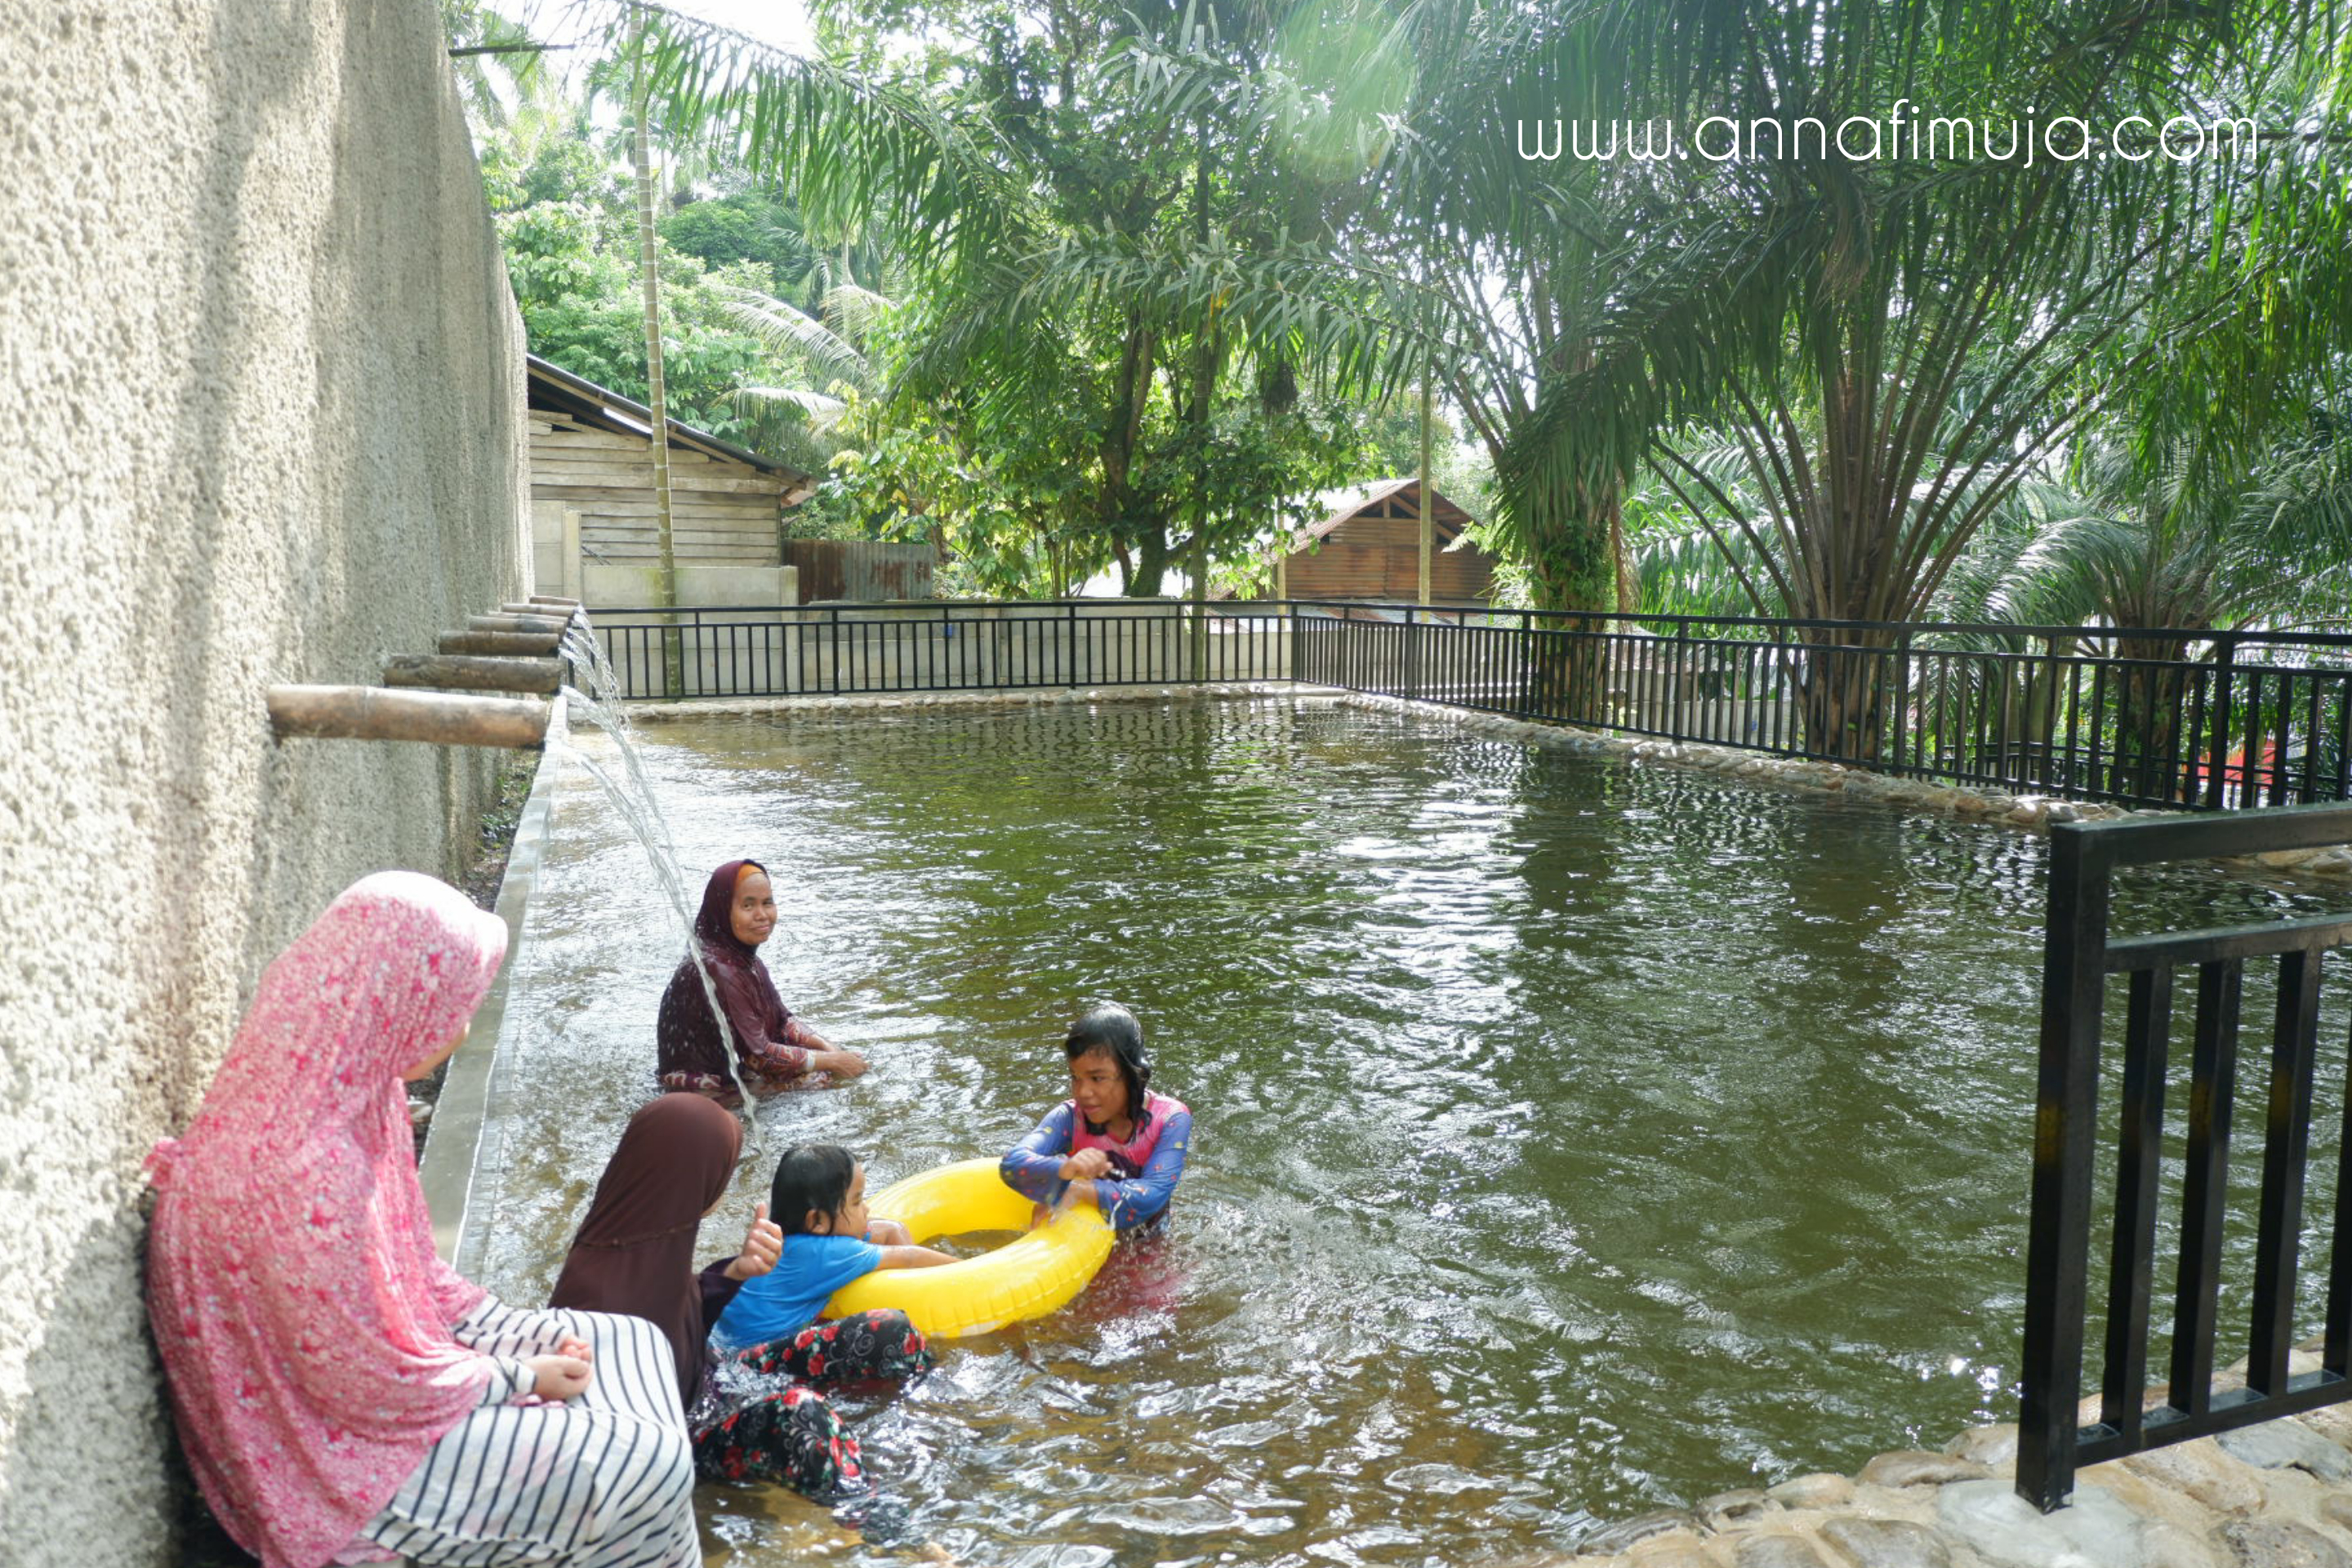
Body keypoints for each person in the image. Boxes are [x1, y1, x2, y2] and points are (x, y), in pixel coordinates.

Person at [145, 872, 697, 1568]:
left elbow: (415, 1276)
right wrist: (520, 1376)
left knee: (633, 1339)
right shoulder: (306, 1177)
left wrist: (512, 1331)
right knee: (650, 1466)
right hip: (332, 1464)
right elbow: (365, 1387)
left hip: (365, 1397)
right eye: (454, 1005)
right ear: (395, 1000)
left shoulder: (351, 1086)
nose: (462, 1028)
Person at [699, 1144, 952, 1501]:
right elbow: (909, 1258)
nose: (867, 1210)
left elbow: (884, 1230)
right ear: (817, 1221)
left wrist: (881, 1229)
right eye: (857, 1201)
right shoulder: (827, 1254)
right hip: (744, 1369)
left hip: (715, 1353)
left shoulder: (786, 1241)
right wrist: (970, 1270)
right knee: (890, 1330)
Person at [657, 858, 866, 1100]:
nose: (762, 915)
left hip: (734, 1073)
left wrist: (827, 1048)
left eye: (767, 903)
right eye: (748, 906)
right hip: (701, 1093)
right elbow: (760, 1056)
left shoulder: (742, 959)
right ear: (723, 911)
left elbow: (783, 1021)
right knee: (822, 1082)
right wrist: (833, 1061)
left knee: (824, 1071)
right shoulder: (718, 969)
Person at [1000, 1002, 1192, 1233]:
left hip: (1148, 1240)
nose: (1082, 1092)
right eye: (1075, 1077)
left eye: (1097, 1078)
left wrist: (1080, 1190)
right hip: (1081, 1236)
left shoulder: (1170, 1119)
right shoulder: (1070, 1117)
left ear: (1133, 1074)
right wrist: (1064, 1169)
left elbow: (1153, 1194)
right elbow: (1012, 1164)